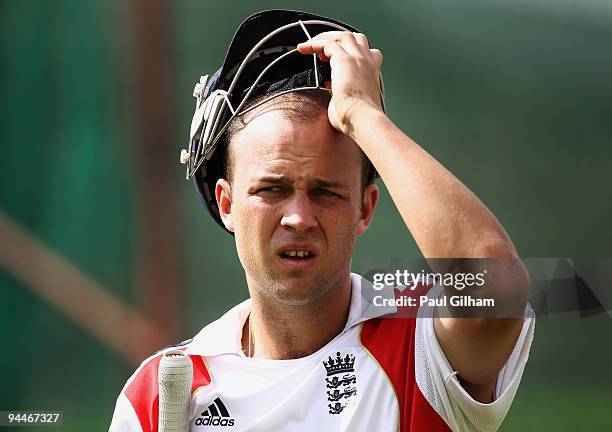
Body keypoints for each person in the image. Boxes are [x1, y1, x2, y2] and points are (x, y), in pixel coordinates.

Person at [109, 10, 534, 432]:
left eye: (325, 192)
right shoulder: (159, 396)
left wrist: (361, 115)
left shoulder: (420, 346)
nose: (298, 217)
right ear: (227, 204)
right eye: (271, 189)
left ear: (365, 209)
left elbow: (495, 287)